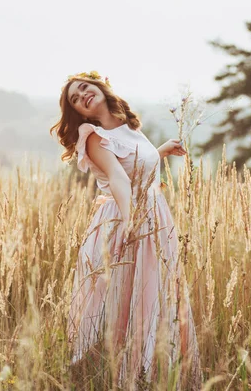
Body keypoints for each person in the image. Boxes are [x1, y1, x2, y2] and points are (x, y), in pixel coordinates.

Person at [50, 71, 202, 389]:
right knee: (128, 297)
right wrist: (132, 220)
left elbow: (136, 166)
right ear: (78, 113)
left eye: (84, 88)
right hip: (125, 217)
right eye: (75, 100)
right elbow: (118, 178)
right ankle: (124, 375)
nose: (82, 96)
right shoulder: (92, 135)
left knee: (157, 292)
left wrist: (158, 152)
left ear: (99, 88)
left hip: (154, 214)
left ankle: (158, 369)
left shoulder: (127, 126)